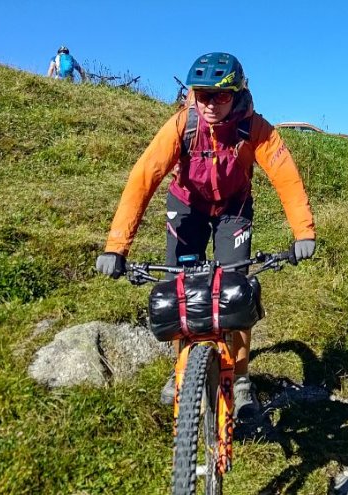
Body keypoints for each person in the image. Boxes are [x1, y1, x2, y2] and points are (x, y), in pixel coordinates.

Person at [95, 52, 316, 417]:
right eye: (203, 95)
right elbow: (143, 177)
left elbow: (286, 177)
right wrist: (116, 247)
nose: (211, 104)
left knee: (236, 293)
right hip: (187, 207)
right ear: (193, 95)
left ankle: (241, 379)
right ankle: (183, 369)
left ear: (238, 94)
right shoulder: (183, 125)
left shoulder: (255, 128)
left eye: (221, 96)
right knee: (181, 289)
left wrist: (303, 232)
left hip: (233, 209)